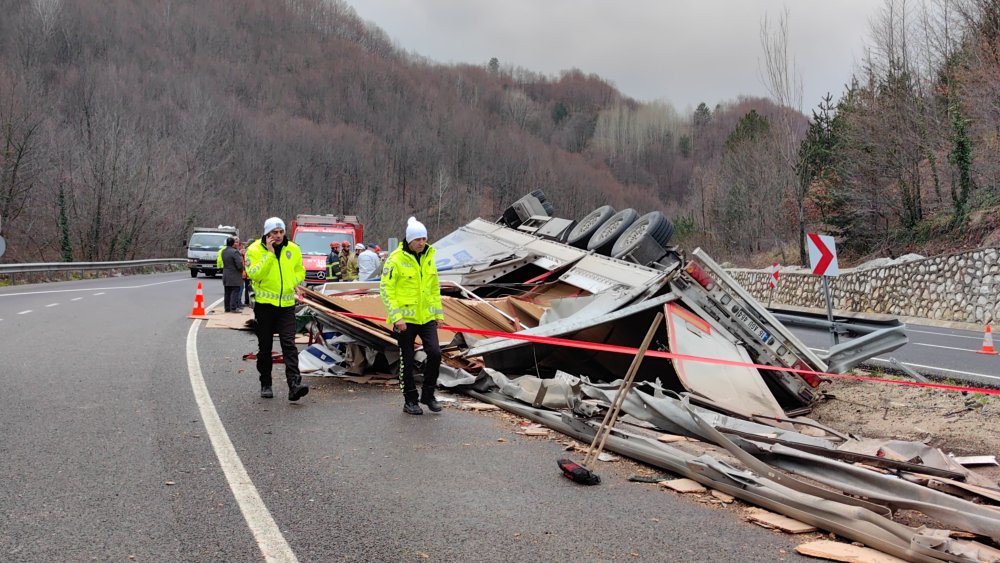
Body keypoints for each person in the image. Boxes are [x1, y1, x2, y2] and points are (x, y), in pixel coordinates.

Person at [379, 217, 444, 415]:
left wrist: (438, 313)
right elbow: (386, 290)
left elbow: (434, 288)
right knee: (406, 361)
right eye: (418, 239)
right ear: (409, 240)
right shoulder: (395, 259)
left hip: (426, 318)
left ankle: (428, 395)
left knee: (435, 354)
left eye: (424, 239)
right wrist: (396, 317)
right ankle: (410, 400)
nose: (422, 243)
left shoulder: (429, 256)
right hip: (405, 320)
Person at [245, 217, 310, 401]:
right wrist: (270, 255)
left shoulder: (293, 249)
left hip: (287, 306)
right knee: (265, 347)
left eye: (281, 232)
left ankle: (294, 385)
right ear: (267, 234)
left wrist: (293, 282)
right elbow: (254, 274)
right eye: (275, 232)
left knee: (289, 345)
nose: (279, 235)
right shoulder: (254, 250)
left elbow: (300, 271)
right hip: (265, 306)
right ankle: (266, 383)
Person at [220, 236, 244, 313]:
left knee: (227, 291)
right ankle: (233, 308)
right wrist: (242, 269)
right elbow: (239, 264)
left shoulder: (223, 251)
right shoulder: (235, 252)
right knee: (235, 290)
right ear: (233, 243)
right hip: (234, 274)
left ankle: (227, 308)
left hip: (226, 273)